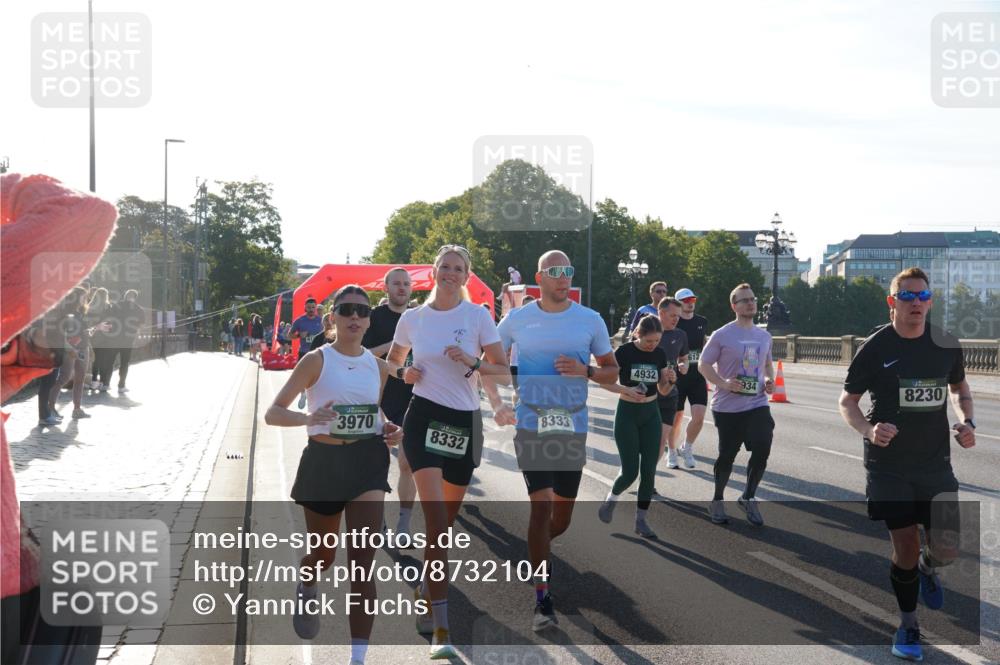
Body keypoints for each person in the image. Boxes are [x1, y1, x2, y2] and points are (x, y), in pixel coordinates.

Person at [838, 267, 975, 662]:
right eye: (907, 296)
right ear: (892, 302)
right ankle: (908, 624)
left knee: (947, 549)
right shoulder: (876, 347)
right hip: (889, 464)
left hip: (935, 463)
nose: (916, 303)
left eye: (922, 297)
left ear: (930, 301)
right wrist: (868, 430)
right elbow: (847, 402)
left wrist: (966, 422)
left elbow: (959, 388)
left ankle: (929, 568)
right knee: (905, 545)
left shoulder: (946, 344)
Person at [263, 285, 404, 665]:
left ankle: (357, 658)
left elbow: (374, 413)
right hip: (324, 464)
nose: (355, 317)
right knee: (323, 553)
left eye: (361, 311)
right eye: (347, 310)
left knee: (363, 563)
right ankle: (308, 580)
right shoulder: (315, 360)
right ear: (333, 318)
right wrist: (307, 418)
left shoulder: (376, 366)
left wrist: (390, 428)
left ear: (369, 320)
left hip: (367, 464)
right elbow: (273, 413)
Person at [385, 245, 510, 659]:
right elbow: (394, 361)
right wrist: (405, 372)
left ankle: (426, 586)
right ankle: (441, 628)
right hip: (423, 419)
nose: (451, 274)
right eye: (445, 267)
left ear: (467, 275)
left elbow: (502, 369)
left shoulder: (477, 316)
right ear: (434, 272)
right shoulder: (413, 318)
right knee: (437, 523)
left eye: (459, 269)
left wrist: (473, 362)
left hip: (463, 423)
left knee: (446, 523)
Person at [494, 251, 617, 630]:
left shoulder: (589, 319)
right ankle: (542, 598)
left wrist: (587, 370)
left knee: (559, 519)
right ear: (540, 277)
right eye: (555, 272)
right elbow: (492, 361)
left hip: (572, 426)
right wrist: (496, 400)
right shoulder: (516, 320)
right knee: (541, 507)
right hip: (532, 423)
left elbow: (612, 372)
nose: (563, 278)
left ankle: (537, 548)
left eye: (568, 271)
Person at [698, 283, 775, 527]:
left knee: (763, 446)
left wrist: (769, 381)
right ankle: (718, 499)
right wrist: (723, 383)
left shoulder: (764, 336)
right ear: (734, 306)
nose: (751, 303)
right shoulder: (722, 334)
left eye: (752, 299)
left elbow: (766, 365)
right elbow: (704, 365)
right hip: (727, 407)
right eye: (744, 300)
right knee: (727, 455)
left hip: (757, 403)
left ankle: (749, 496)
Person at [598, 315, 676, 539]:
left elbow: (662, 390)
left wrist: (670, 379)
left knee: (649, 470)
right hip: (627, 414)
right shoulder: (623, 352)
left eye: (657, 341)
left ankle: (641, 521)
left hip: (651, 413)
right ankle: (611, 499)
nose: (653, 346)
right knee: (630, 471)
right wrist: (625, 390)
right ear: (638, 335)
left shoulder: (660, 354)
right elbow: (604, 381)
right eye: (649, 341)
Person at [361, 268, 418, 543]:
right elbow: (361, 356)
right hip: (380, 399)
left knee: (408, 464)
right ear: (386, 288)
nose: (402, 288)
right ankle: (379, 521)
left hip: (414, 400)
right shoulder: (373, 318)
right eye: (396, 283)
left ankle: (404, 525)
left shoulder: (421, 318)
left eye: (406, 284)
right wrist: (394, 345)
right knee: (379, 465)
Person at [671, 288, 710, 469]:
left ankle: (687, 447)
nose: (690, 302)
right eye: (686, 300)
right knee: (676, 417)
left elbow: (704, 344)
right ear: (678, 303)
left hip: (697, 375)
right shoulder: (674, 322)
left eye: (692, 299)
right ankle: (671, 452)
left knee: (699, 416)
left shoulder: (702, 321)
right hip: (677, 376)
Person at [653, 297, 689, 479]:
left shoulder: (680, 335)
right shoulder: (648, 330)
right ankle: (635, 470)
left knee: (660, 441)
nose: (676, 319)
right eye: (672, 315)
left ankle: (648, 476)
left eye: (678, 316)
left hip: (670, 392)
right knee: (646, 441)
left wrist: (684, 366)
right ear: (661, 313)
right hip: (648, 394)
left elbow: (684, 358)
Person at [107, 289, 143, 392]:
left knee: (110, 361)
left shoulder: (117, 305)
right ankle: (121, 385)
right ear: (135, 298)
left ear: (125, 296)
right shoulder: (138, 309)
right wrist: (136, 337)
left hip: (114, 338)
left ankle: (105, 383)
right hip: (128, 340)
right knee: (124, 362)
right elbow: (140, 326)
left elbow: (109, 319)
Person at [291, 298, 325, 408]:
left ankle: (316, 398)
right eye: (309, 307)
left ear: (316, 308)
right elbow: (289, 335)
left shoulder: (320, 321)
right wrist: (299, 335)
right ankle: (303, 394)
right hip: (304, 351)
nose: (311, 309)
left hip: (318, 352)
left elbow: (328, 333)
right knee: (302, 375)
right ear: (305, 308)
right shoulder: (299, 321)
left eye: (313, 307)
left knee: (319, 376)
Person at [507, 294, 535, 406]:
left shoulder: (539, 321)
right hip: (515, 363)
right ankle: (516, 407)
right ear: (522, 306)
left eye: (531, 305)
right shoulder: (515, 320)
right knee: (518, 390)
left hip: (532, 362)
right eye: (526, 305)